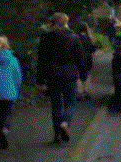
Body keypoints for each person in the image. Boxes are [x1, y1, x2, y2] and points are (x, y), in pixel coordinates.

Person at [37, 13, 83, 144]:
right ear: (64, 24)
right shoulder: (73, 38)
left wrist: (40, 80)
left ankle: (57, 134)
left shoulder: (46, 39)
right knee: (70, 103)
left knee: (56, 106)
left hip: (52, 76)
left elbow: (42, 60)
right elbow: (80, 58)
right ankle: (65, 123)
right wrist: (83, 73)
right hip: (69, 76)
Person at [0, 36, 23, 149]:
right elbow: (18, 77)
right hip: (10, 92)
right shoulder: (13, 60)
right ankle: (4, 128)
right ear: (6, 45)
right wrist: (17, 88)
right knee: (7, 113)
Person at [74, 23, 96, 101]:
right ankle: (87, 92)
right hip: (88, 58)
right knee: (87, 75)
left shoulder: (75, 37)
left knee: (79, 76)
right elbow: (93, 48)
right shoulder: (89, 37)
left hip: (78, 57)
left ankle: (79, 93)